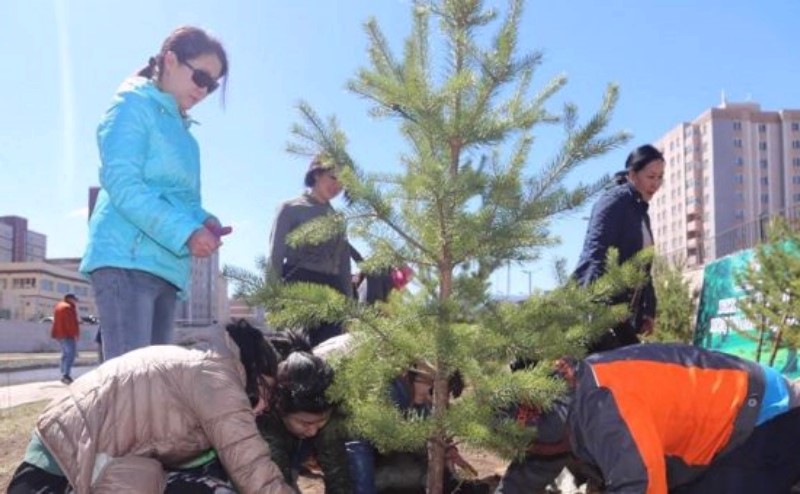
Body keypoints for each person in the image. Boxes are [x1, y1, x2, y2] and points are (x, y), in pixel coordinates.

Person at [79, 26, 231, 360]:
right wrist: (186, 232)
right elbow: (123, 184)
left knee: (155, 381)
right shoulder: (132, 105)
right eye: (201, 77)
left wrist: (203, 221)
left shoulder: (186, 137)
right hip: (126, 260)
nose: (204, 90)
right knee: (133, 382)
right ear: (170, 60)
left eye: (212, 85)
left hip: (166, 267)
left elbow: (183, 201)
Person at [6, 322, 293, 494]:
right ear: (252, 368)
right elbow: (252, 468)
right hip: (69, 456)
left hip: (73, 447)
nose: (262, 407)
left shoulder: (203, 362)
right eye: (262, 393)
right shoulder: (218, 377)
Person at [496, 343, 800, 494]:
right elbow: (530, 472)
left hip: (762, 420)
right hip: (725, 429)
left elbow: (640, 484)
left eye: (534, 445)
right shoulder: (563, 403)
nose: (534, 452)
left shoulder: (601, 406)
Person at [572, 144, 665, 351]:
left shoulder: (640, 212)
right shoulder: (614, 201)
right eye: (651, 177)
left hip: (620, 316)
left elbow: (643, 269)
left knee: (635, 361)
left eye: (660, 177)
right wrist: (592, 308)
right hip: (600, 311)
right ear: (633, 174)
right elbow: (595, 255)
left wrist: (648, 311)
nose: (656, 184)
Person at [268, 153, 353, 346]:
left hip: (332, 293)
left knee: (330, 355)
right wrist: (272, 301)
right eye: (333, 177)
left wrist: (349, 308)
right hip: (298, 289)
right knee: (299, 354)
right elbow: (275, 257)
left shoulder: (339, 219)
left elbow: (344, 266)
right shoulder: (289, 208)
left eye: (342, 182)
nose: (337, 185)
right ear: (316, 174)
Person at [257, 351, 354, 493]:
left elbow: (338, 471)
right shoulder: (265, 425)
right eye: (305, 423)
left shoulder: (326, 405)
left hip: (294, 455)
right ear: (280, 408)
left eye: (321, 421)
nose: (313, 431)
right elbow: (275, 482)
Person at [50, 293, 81, 384]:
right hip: (67, 334)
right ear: (69, 299)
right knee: (71, 354)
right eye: (74, 299)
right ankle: (66, 375)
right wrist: (75, 334)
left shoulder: (59, 306)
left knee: (65, 354)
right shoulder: (68, 307)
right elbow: (70, 323)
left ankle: (63, 373)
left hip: (59, 334)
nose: (75, 302)